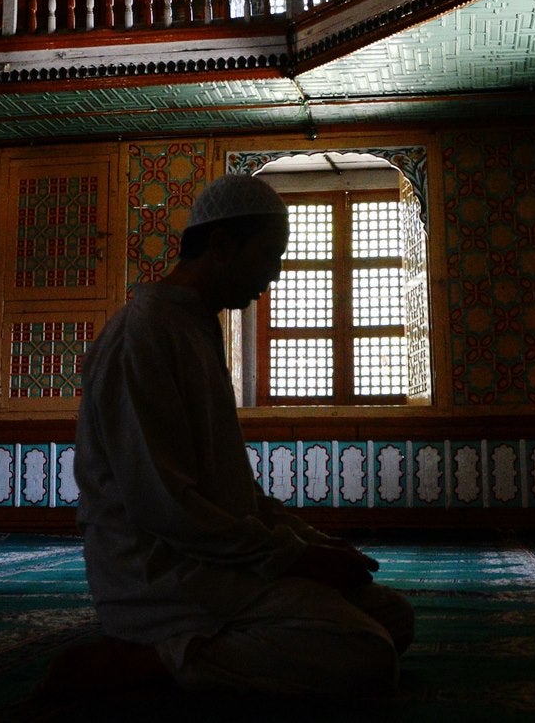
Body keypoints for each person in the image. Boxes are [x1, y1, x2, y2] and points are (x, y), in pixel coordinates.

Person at [64, 173, 415, 704]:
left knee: (390, 615)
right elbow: (165, 508)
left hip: (219, 560)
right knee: (366, 656)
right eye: (269, 256)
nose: (272, 276)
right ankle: (151, 659)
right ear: (223, 245)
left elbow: (231, 491)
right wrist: (292, 559)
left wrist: (309, 542)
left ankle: (215, 649)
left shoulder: (194, 326)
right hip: (162, 573)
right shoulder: (145, 334)